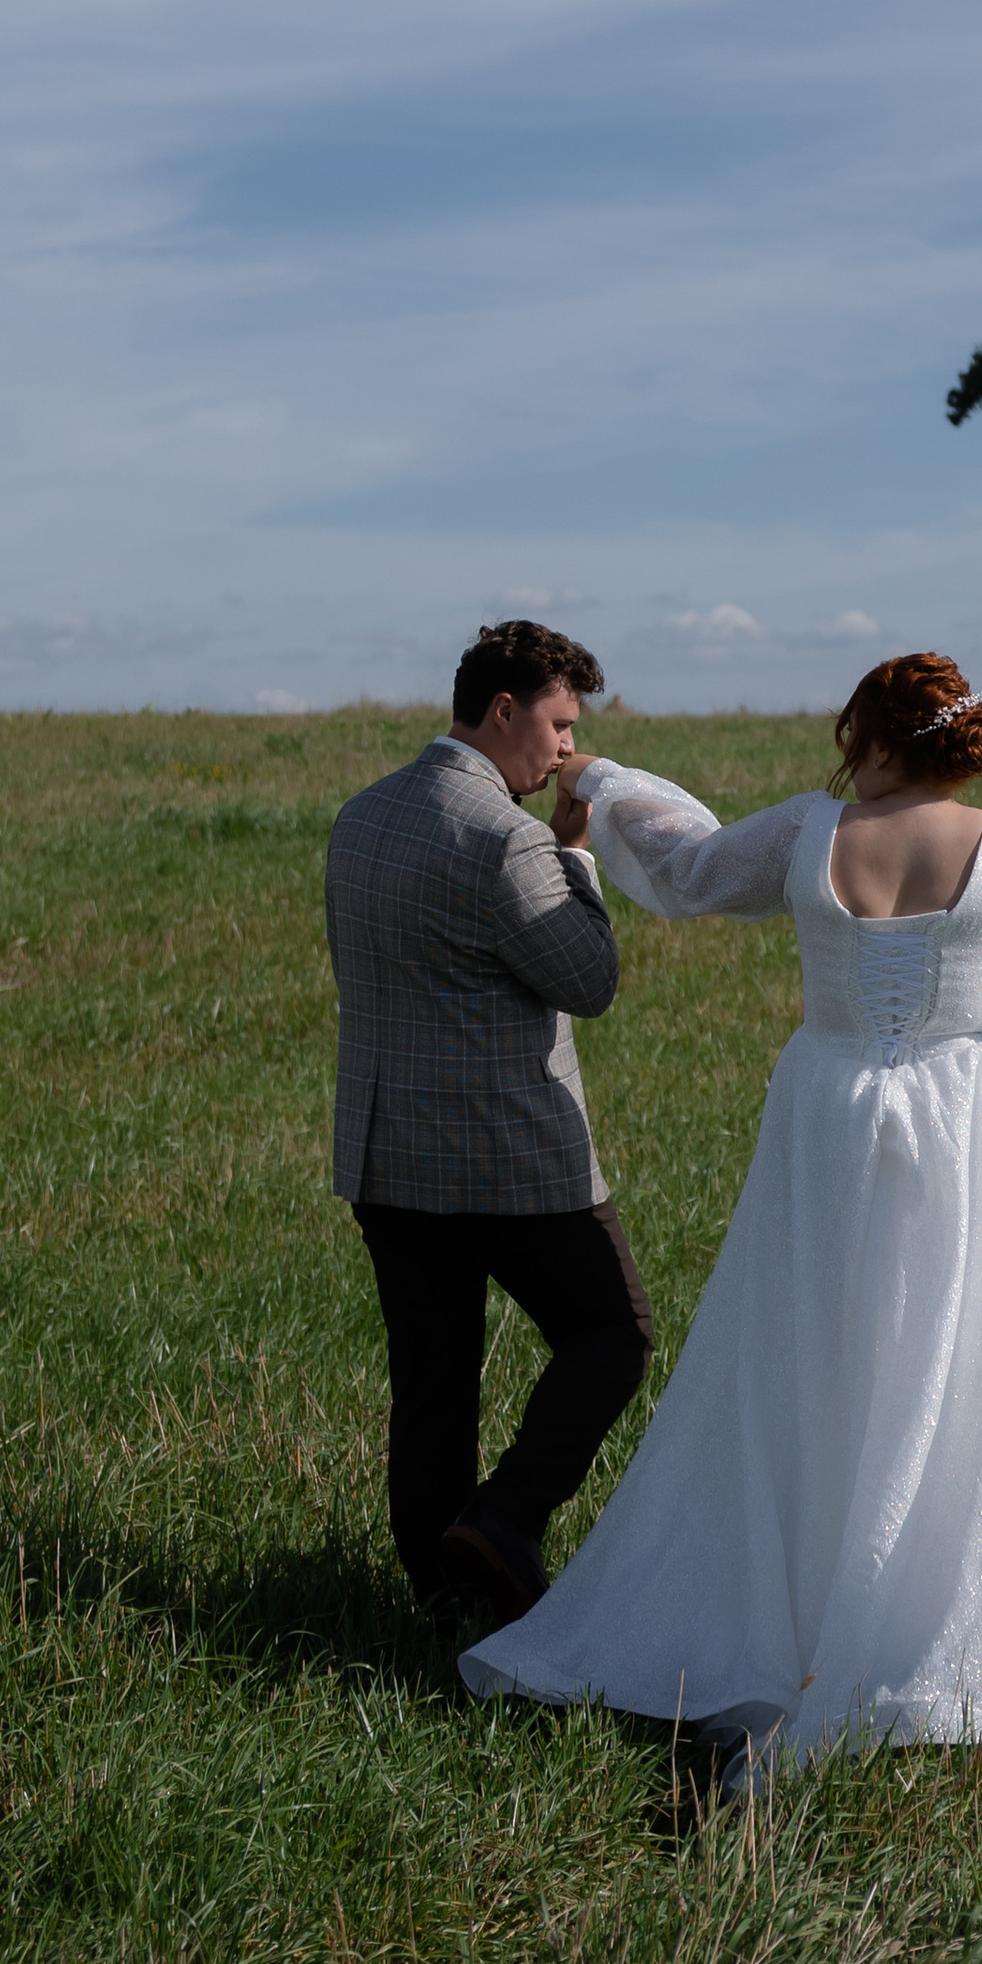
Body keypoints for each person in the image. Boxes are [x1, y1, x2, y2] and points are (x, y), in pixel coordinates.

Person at [460, 650, 982, 1771]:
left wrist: (606, 784)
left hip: (831, 1119)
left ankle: (805, 1604)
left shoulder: (808, 833)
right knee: (980, 1366)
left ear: (883, 738)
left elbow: (688, 867)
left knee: (814, 1359)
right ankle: (948, 1611)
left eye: (851, 737)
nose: (840, 759)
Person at [325, 617, 655, 1631]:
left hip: (387, 1152)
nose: (566, 749)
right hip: (508, 1155)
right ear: (502, 709)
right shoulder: (505, 837)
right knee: (613, 1336)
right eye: (558, 725)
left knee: (431, 1384)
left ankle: (446, 1602)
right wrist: (575, 863)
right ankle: (505, 1521)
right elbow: (587, 980)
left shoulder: (363, 815)